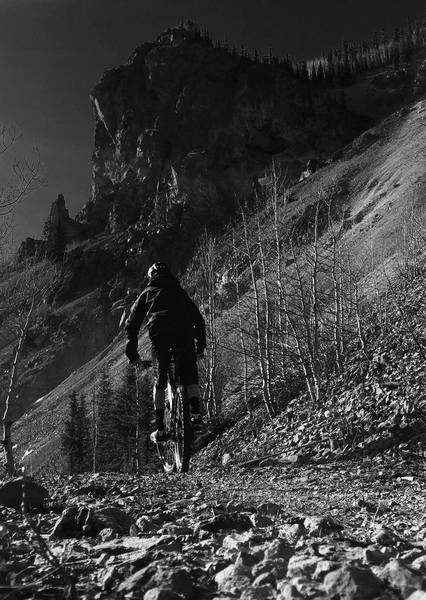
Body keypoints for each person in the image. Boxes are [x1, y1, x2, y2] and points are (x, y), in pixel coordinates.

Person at [125, 262, 206, 443]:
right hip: (184, 336)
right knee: (190, 377)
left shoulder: (147, 293)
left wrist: (133, 355)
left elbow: (132, 325)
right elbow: (199, 320)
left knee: (160, 383)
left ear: (151, 276)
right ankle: (196, 416)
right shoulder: (180, 292)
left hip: (161, 338)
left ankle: (161, 430)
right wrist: (200, 347)